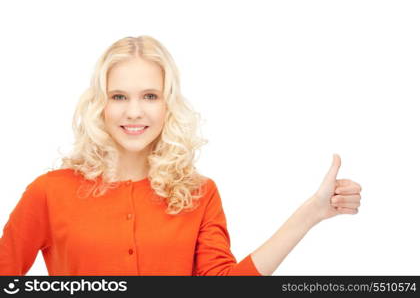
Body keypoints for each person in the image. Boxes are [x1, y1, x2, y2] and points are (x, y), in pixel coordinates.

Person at [0, 35, 362, 276]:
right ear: (100, 104)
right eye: (119, 96)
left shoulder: (199, 194)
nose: (134, 112)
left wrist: (310, 214)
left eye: (150, 96)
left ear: (168, 105)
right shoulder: (48, 192)